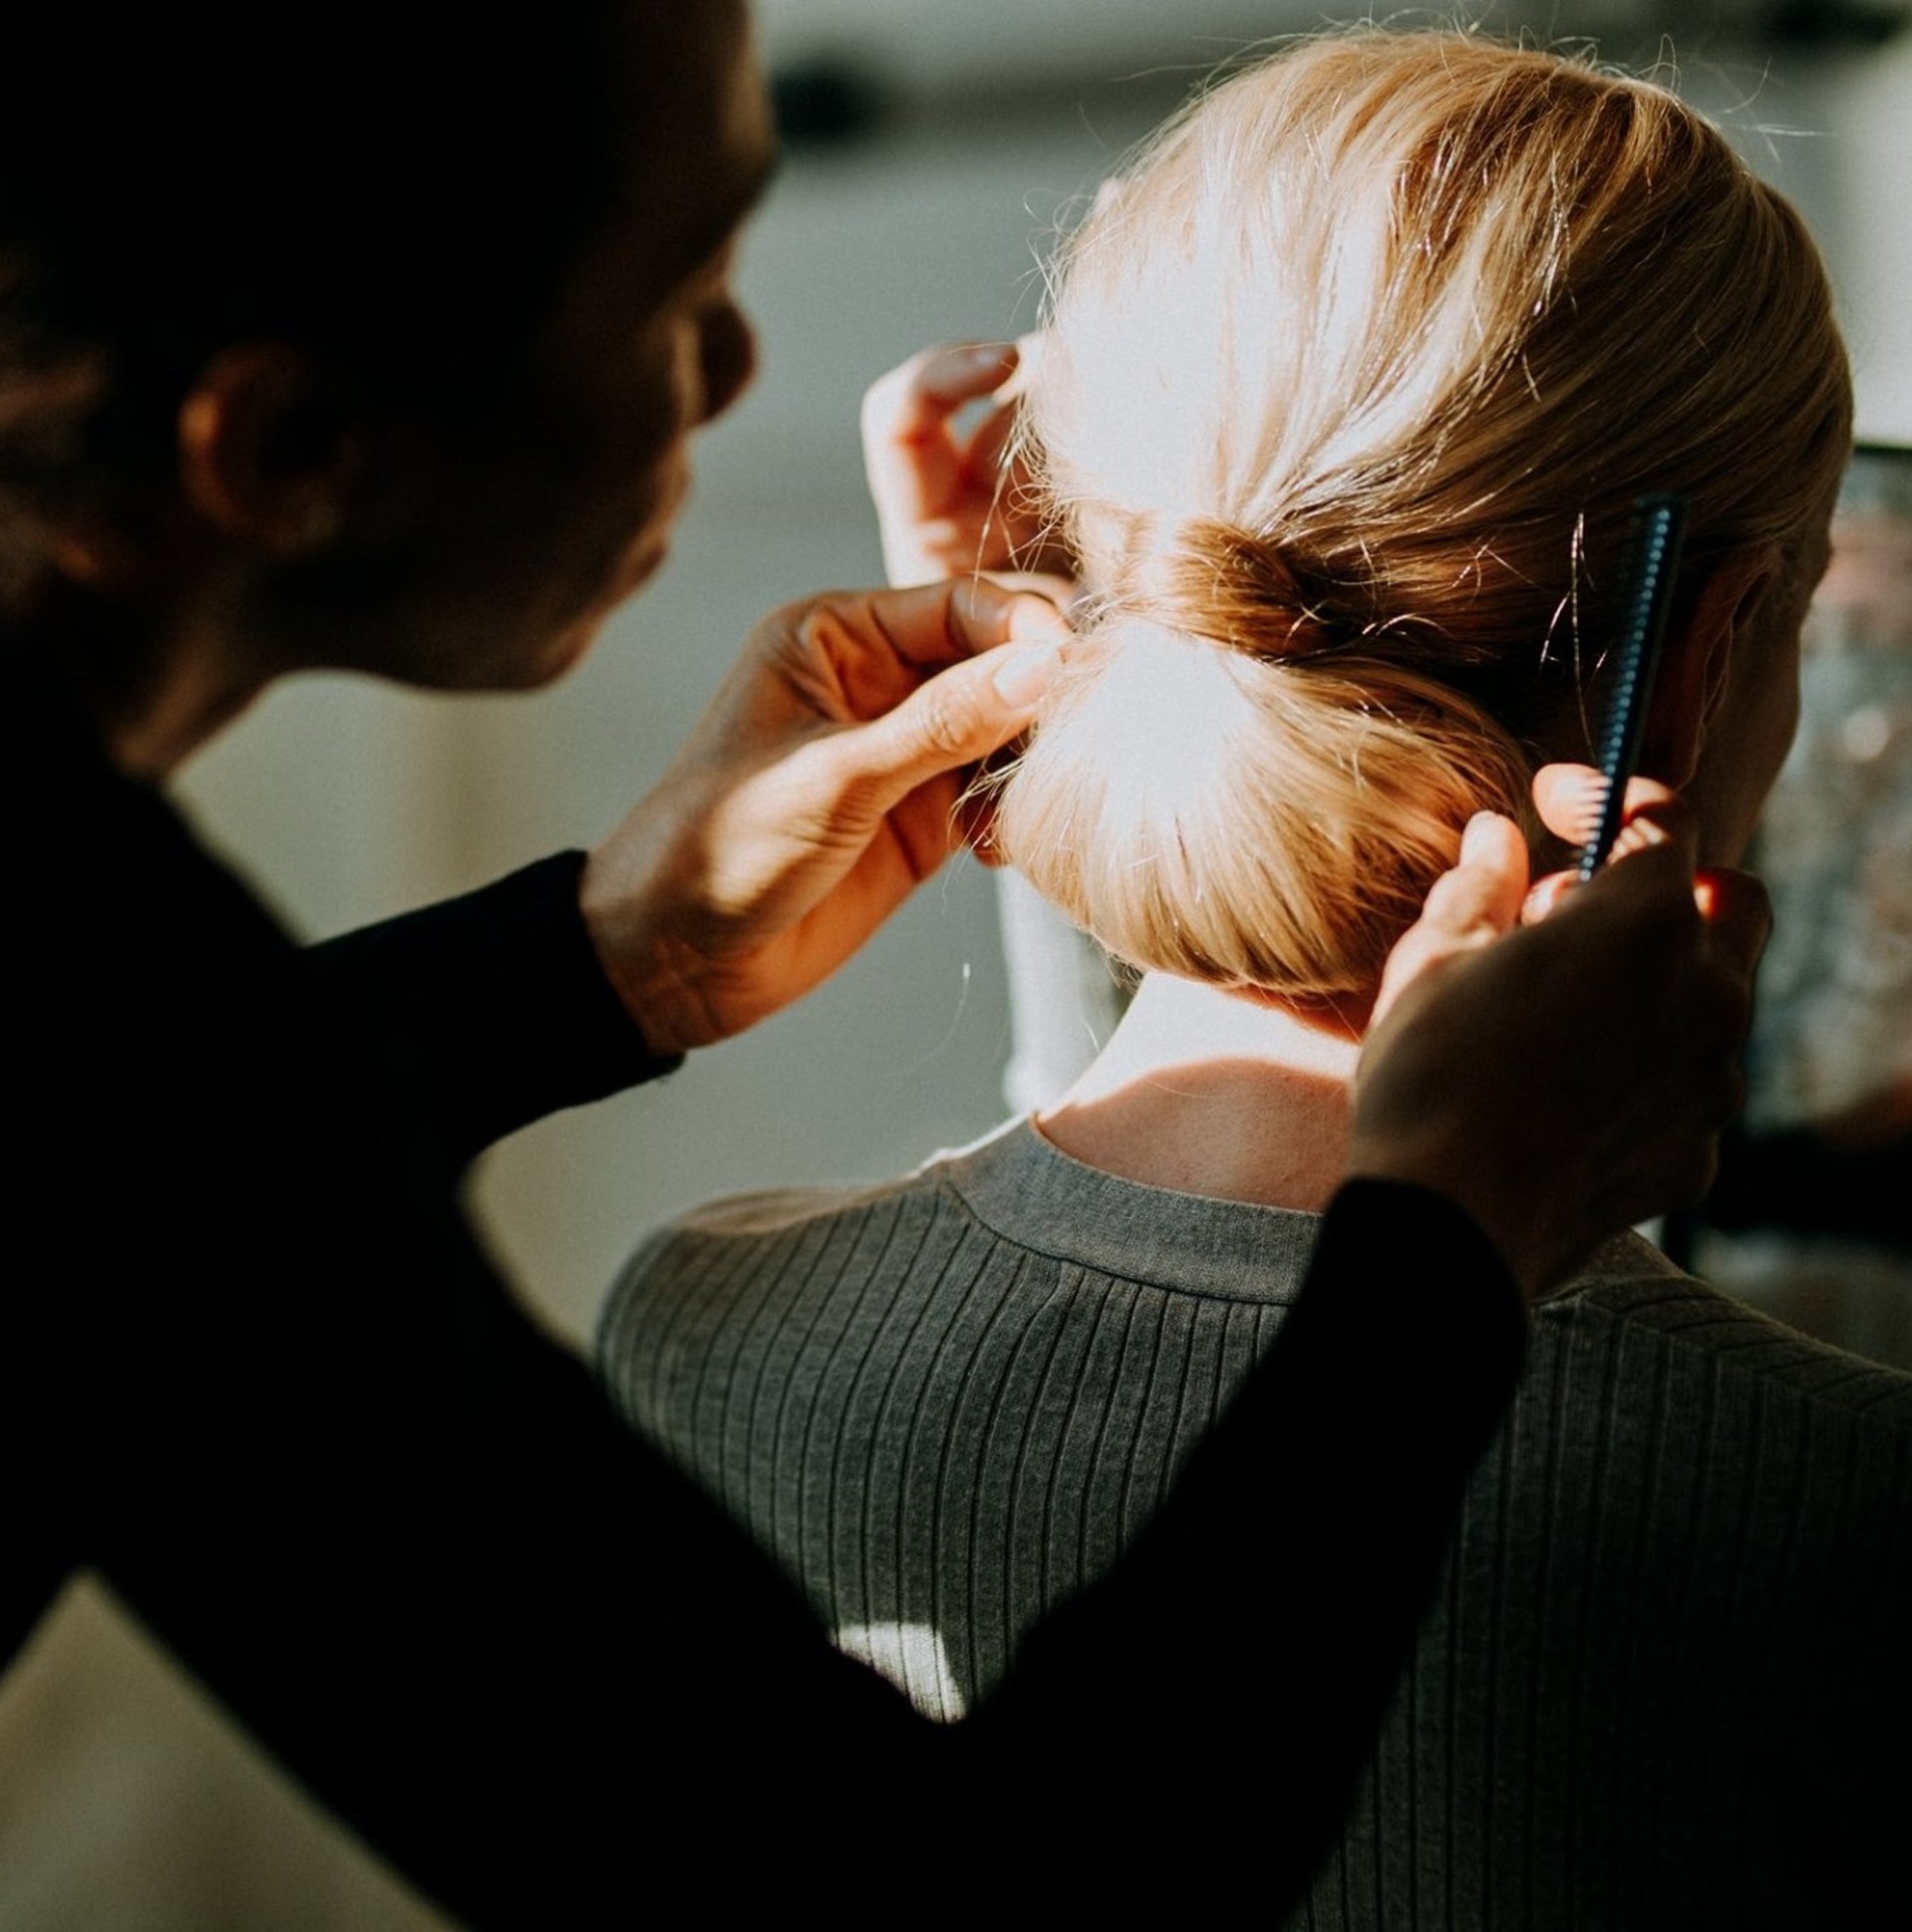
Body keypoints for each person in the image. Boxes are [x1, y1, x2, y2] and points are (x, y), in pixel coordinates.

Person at [0, 3, 1781, 1923]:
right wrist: (1446, 1236)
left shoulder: (137, 1035)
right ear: (283, 449)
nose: (746, 362)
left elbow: (121, 1185)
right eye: (677, 296)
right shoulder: (133, 1029)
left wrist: (601, 964)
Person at [596, 31, 1912, 1930]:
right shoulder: (1846, 1525)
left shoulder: (696, 1349)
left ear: (1060, 556)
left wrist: (1075, 740)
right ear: (1704, 663)